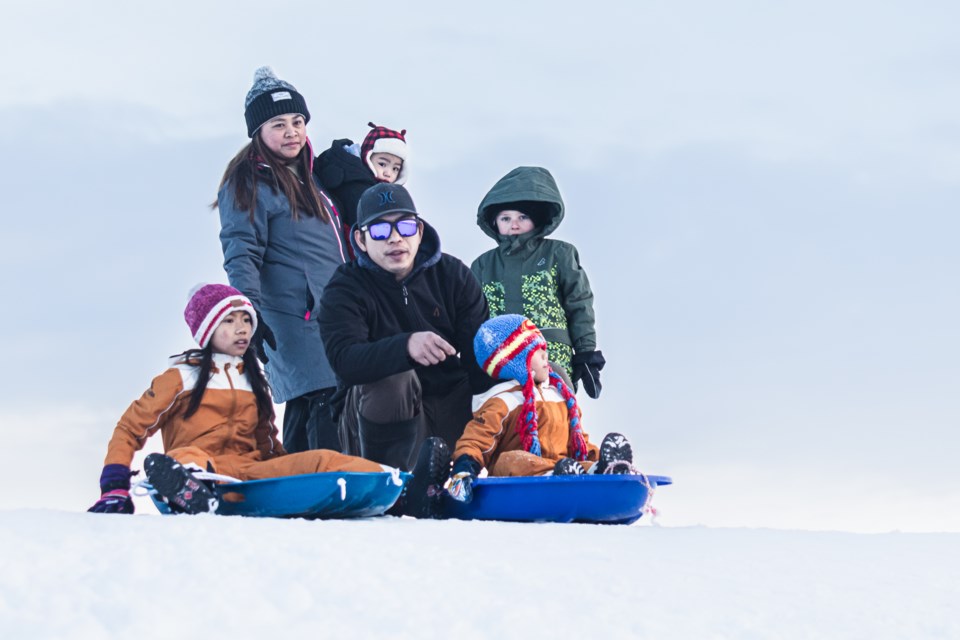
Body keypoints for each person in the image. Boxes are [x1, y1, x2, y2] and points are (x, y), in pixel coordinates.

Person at [86, 284, 450, 517]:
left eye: (247, 319)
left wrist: (293, 467)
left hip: (249, 474)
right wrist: (114, 484)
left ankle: (404, 489)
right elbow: (131, 426)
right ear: (207, 330)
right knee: (183, 458)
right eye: (230, 321)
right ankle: (190, 491)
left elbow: (268, 443)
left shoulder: (255, 379)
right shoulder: (180, 376)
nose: (243, 329)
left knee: (322, 458)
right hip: (204, 464)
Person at [215, 66, 346, 453]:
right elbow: (241, 249)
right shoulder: (248, 181)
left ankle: (321, 482)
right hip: (293, 315)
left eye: (297, 121)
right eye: (278, 124)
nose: (291, 131)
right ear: (258, 132)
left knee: (334, 398)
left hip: (335, 308)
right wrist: (247, 311)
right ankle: (313, 483)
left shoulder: (314, 175)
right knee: (316, 395)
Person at [319, 183, 493, 471]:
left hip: (451, 406)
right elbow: (345, 360)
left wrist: (519, 374)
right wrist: (406, 346)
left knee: (529, 372)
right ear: (361, 240)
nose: (395, 239)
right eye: (380, 231)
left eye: (406, 227)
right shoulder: (345, 287)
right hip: (377, 425)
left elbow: (479, 358)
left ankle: (542, 469)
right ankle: (392, 484)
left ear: (420, 231)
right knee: (394, 378)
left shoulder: (453, 275)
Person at [446, 314, 636, 504]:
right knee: (509, 460)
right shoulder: (503, 401)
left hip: (567, 467)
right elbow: (476, 440)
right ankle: (557, 475)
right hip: (521, 479)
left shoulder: (561, 398)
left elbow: (579, 441)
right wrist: (464, 468)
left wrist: (597, 457)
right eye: (537, 351)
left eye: (544, 349)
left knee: (580, 464)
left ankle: (603, 469)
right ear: (516, 361)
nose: (546, 355)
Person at [472, 166, 606, 398]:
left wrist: (585, 353)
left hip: (550, 351)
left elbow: (579, 301)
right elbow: (471, 314)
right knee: (504, 409)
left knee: (552, 405)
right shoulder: (483, 265)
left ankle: (570, 434)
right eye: (506, 218)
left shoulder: (559, 254)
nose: (514, 224)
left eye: (522, 217)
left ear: (537, 219)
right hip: (501, 355)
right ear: (494, 222)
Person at [313, 122, 409, 251]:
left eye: (395, 168)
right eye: (382, 164)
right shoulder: (359, 188)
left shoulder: (382, 192)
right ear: (367, 157)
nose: (388, 173)